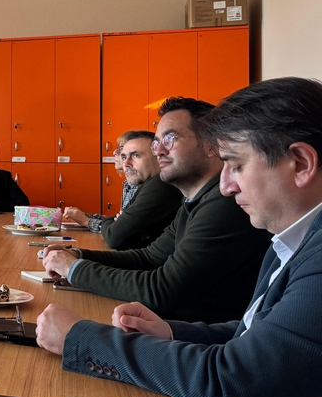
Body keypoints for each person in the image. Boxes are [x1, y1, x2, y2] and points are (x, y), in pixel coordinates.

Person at [36, 77, 322, 397]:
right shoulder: (293, 238)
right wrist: (170, 331)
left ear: (300, 163)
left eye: (235, 165)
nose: (226, 186)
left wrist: (81, 338)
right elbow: (255, 331)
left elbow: (232, 381)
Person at [42, 97, 271, 323]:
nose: (159, 150)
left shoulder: (225, 204)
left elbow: (161, 290)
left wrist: (74, 269)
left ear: (211, 145)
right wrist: (79, 255)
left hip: (199, 338)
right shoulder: (194, 200)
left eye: (170, 139)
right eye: (156, 143)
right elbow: (149, 257)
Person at [68, 130, 182, 250]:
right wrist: (118, 225)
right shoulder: (146, 185)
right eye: (124, 157)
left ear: (158, 157)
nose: (126, 163)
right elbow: (119, 225)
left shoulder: (160, 185)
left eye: (136, 155)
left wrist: (117, 226)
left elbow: (115, 237)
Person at [67, 133, 129, 232]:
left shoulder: (141, 187)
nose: (114, 152)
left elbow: (119, 231)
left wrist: (86, 221)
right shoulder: (128, 184)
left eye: (121, 148)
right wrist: (83, 216)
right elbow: (114, 222)